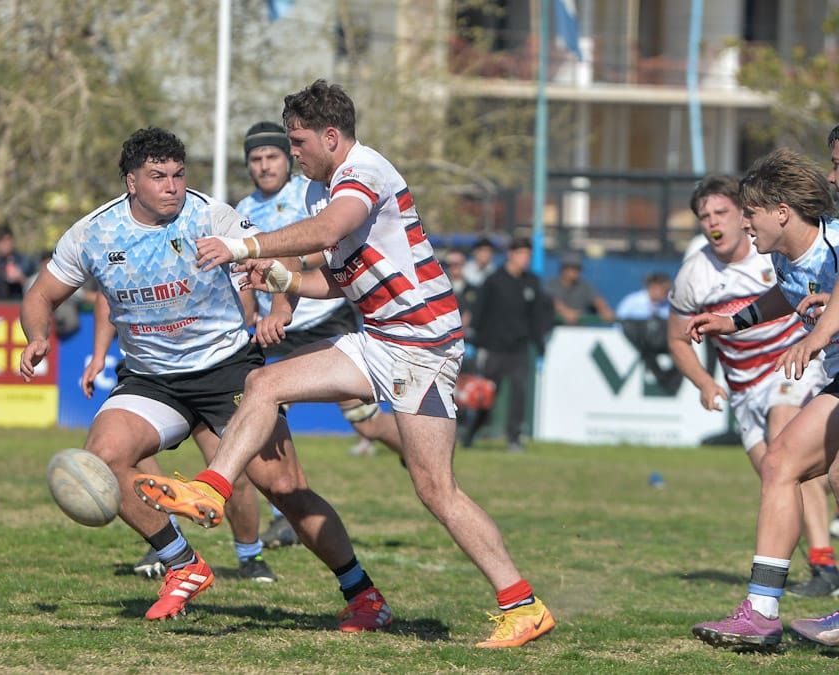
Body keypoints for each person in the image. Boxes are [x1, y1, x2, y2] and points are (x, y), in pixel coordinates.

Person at [135, 81, 555, 647]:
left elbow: (331, 230)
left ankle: (522, 604)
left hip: (422, 347)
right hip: (378, 337)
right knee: (264, 383)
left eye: (298, 141)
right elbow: (339, 279)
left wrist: (244, 248)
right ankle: (212, 488)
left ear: (331, 136)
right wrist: (282, 279)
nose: (292, 153)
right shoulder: (321, 188)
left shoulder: (365, 172)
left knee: (436, 489)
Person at [19, 127, 381, 626]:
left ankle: (362, 593)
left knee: (285, 488)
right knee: (103, 457)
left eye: (178, 174)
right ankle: (182, 564)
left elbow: (281, 255)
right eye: (158, 176)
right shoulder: (93, 234)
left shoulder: (211, 216)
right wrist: (36, 336)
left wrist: (280, 308)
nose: (172, 186)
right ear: (131, 182)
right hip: (152, 379)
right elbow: (41, 295)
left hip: (226, 370)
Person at [687, 147, 839, 650]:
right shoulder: (783, 256)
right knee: (781, 464)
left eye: (750, 212)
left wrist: (816, 337)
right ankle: (761, 611)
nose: (744, 222)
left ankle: (762, 611)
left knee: (786, 463)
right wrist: (734, 321)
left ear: (782, 211)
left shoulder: (835, 242)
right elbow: (788, 293)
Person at [233, 120, 406, 544]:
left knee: (365, 423)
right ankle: (287, 510)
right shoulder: (242, 209)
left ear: (286, 159)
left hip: (323, 317)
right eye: (256, 159)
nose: (265, 165)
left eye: (272, 156)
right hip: (277, 327)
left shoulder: (309, 192)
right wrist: (249, 318)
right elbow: (243, 275)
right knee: (266, 413)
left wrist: (281, 297)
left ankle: (413, 451)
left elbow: (309, 251)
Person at [81, 293, 276, 583]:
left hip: (211, 371)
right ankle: (169, 542)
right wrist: (99, 355)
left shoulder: (211, 264)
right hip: (154, 375)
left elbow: (245, 306)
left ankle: (251, 555)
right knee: (124, 455)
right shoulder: (124, 265)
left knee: (231, 473)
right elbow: (105, 297)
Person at [462, 236, 549, 453]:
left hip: (519, 348)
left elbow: (537, 316)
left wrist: (540, 343)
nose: (525, 259)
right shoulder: (494, 280)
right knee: (487, 395)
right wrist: (475, 340)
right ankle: (471, 433)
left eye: (528, 255)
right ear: (510, 254)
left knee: (519, 393)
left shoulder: (532, 282)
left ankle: (514, 438)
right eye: (521, 254)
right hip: (494, 348)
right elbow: (479, 311)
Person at [546, 253, 614, 325]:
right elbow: (552, 301)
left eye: (578, 268)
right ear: (564, 269)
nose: (576, 271)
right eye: (573, 268)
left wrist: (605, 310)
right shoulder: (551, 285)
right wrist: (566, 312)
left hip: (579, 329)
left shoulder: (585, 286)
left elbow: (597, 300)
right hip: (554, 328)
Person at [0, 224, 36, 301]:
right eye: (2, 241)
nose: (6, 244)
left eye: (8, 240)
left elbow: (36, 287)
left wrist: (21, 278)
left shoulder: (25, 261)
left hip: (19, 303)